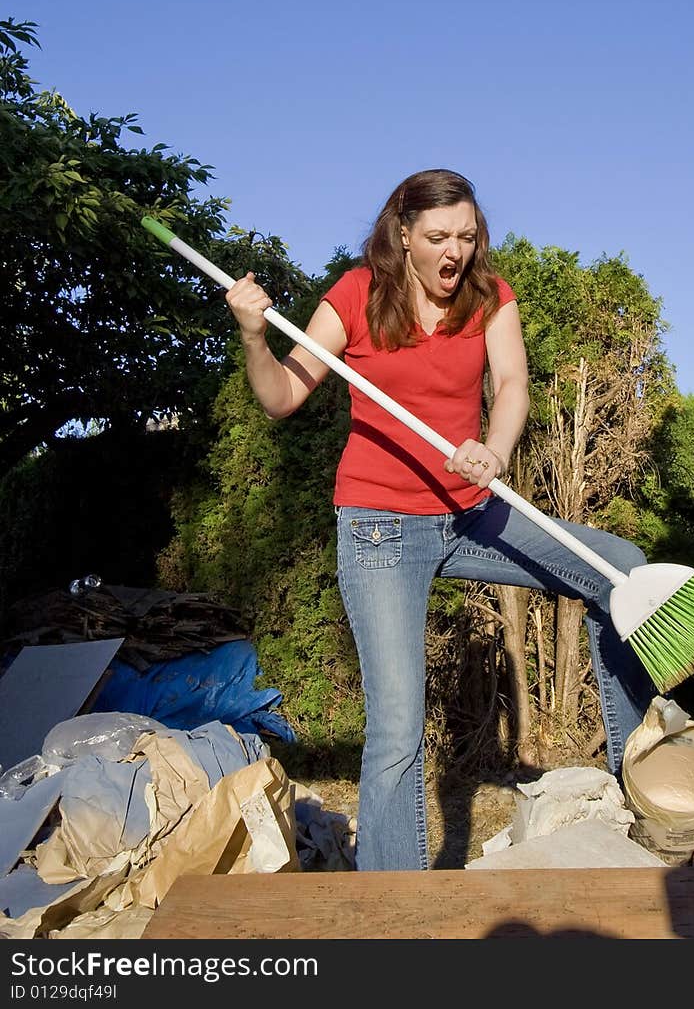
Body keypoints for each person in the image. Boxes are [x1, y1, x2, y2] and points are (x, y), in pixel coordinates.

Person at [225, 167, 655, 871]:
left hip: (471, 512)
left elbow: (511, 383)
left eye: (466, 235)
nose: (454, 251)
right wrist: (251, 337)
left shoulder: (489, 297)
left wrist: (496, 448)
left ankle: (640, 786)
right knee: (397, 729)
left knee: (622, 571)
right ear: (402, 234)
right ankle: (392, 906)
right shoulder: (356, 294)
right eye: (436, 237)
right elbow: (281, 397)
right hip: (381, 529)